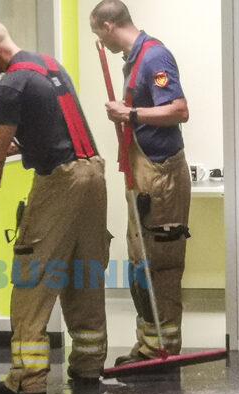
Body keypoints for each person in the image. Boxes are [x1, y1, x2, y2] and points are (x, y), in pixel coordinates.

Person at [0, 19, 110, 394]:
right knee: (83, 273)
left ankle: (28, 378)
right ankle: (88, 366)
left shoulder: (11, 84)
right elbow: (58, 129)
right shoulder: (50, 66)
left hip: (60, 182)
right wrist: (19, 146)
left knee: (30, 278)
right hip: (93, 174)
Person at [90, 0, 192, 367]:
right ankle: (149, 344)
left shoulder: (154, 57)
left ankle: (162, 349)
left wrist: (130, 113)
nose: (101, 43)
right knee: (141, 261)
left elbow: (179, 110)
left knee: (159, 263)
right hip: (144, 173)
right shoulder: (134, 61)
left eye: (99, 34)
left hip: (161, 174)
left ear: (108, 26)